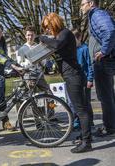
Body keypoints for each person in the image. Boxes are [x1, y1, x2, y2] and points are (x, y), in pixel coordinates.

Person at [39, 13, 92, 153]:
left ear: (54, 23)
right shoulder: (60, 35)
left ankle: (86, 142)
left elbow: (56, 44)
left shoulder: (65, 33)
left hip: (73, 76)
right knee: (80, 108)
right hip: (70, 76)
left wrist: (42, 38)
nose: (47, 30)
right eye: (45, 28)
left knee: (80, 109)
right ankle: (86, 136)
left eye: (47, 26)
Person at [80, 0, 115, 137]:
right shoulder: (95, 15)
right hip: (103, 61)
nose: (81, 7)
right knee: (108, 95)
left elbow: (110, 31)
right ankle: (111, 124)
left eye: (83, 4)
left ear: (90, 3)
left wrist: (104, 51)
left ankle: (110, 127)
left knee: (105, 96)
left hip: (103, 61)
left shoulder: (97, 14)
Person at [16, 25, 52, 95]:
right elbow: (20, 64)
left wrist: (46, 57)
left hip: (39, 74)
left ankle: (50, 105)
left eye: (32, 35)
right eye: (28, 35)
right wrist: (31, 61)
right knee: (31, 96)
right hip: (28, 75)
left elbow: (43, 63)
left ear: (35, 35)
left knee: (49, 94)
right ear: (25, 36)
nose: (30, 37)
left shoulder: (38, 47)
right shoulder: (21, 49)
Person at [72, 29, 94, 130]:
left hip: (85, 80)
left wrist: (90, 79)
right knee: (76, 103)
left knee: (86, 103)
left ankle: (90, 121)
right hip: (76, 80)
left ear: (79, 38)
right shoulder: (72, 50)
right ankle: (77, 122)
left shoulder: (85, 49)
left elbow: (90, 65)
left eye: (74, 39)